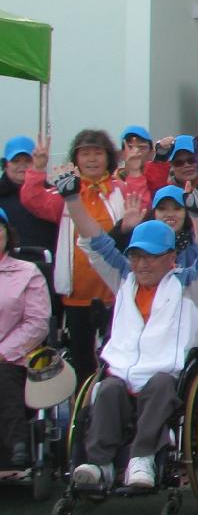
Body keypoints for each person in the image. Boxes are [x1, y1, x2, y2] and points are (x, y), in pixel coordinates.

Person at [65, 197, 198, 491]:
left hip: (166, 375)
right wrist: (73, 199)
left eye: (150, 256)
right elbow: (93, 242)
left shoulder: (191, 286)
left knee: (160, 386)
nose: (141, 263)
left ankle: (143, 458)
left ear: (171, 257)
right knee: (109, 388)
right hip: (122, 373)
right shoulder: (123, 278)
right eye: (136, 256)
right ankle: (100, 465)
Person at [21, 129, 126, 385]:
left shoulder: (121, 190)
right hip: (78, 294)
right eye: (85, 153)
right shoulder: (67, 191)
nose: (91, 159)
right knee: (82, 362)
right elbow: (33, 199)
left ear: (108, 157)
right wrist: (38, 169)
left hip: (117, 293)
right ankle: (83, 412)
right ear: (76, 159)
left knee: (116, 359)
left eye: (97, 153)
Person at [0, 207, 51, 467]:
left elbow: (37, 323)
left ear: (7, 234)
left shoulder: (27, 272)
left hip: (15, 358)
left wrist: (4, 351)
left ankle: (16, 443)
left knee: (3, 372)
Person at [0, 136, 55, 255]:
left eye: (28, 160)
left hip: (46, 264)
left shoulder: (51, 194)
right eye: (16, 161)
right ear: (5, 165)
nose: (22, 165)